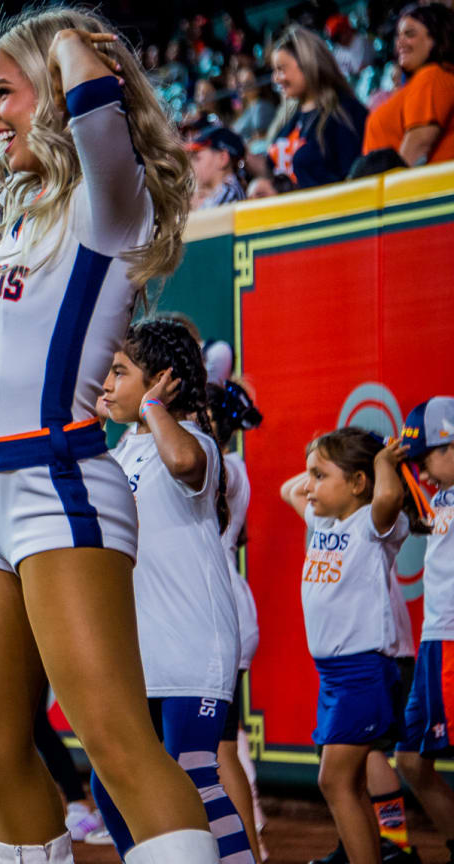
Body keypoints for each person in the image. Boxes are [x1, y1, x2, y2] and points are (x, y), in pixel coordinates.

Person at [0, 9, 219, 862]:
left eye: (3, 93)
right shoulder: (27, 215)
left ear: (58, 95)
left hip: (62, 487)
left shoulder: (110, 199)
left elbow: (98, 106)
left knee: (117, 741)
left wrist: (62, 40)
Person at [100, 320, 253, 862]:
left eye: (121, 372)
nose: (108, 382)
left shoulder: (198, 444)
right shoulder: (123, 452)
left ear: (160, 381)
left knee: (193, 772)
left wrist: (149, 409)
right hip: (141, 651)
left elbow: (183, 462)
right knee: (110, 785)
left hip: (193, 640)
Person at [280, 429, 418, 864]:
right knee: (348, 784)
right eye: (312, 476)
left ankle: (388, 849)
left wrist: (382, 463)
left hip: (362, 672)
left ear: (359, 483)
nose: (310, 485)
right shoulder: (322, 521)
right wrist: (316, 473)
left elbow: (390, 499)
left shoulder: (373, 526)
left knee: (333, 782)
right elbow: (289, 489)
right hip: (334, 676)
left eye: (321, 476)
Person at [208, 381, 266, 863]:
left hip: (212, 610)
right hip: (229, 603)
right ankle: (251, 840)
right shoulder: (236, 466)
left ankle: (246, 847)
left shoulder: (207, 463)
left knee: (220, 746)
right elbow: (241, 535)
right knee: (226, 742)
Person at [395, 398, 454, 860]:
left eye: (426, 457)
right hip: (434, 641)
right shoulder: (440, 497)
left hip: (450, 640)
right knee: (411, 760)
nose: (422, 472)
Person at [266, 24, 368, 190]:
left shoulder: (345, 113)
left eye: (281, 69)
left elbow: (355, 183)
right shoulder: (293, 116)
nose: (276, 79)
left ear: (307, 64)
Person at [362, 5, 454, 167]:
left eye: (409, 34)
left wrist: (392, 188)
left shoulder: (432, 76)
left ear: (435, 38)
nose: (400, 42)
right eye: (398, 35)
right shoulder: (420, 81)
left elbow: (418, 145)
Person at [188, 125, 248, 209]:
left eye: (197, 158)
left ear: (222, 159)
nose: (192, 165)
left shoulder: (230, 193)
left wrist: (194, 207)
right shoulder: (219, 192)